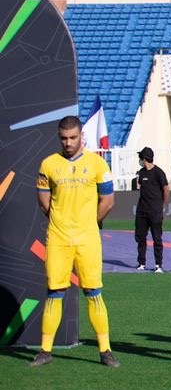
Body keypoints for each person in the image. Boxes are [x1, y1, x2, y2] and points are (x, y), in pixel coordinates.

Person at [30, 116, 119, 368]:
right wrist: (59, 220)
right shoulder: (48, 164)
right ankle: (45, 351)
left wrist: (91, 222)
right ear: (59, 137)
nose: (68, 143)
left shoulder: (97, 163)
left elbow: (108, 200)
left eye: (73, 137)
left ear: (82, 137)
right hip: (58, 239)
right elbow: (44, 200)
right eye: (64, 138)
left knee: (93, 292)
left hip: (87, 239)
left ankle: (105, 351)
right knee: (55, 292)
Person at [132, 146, 169, 272]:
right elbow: (139, 187)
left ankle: (158, 265)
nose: (140, 160)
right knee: (141, 238)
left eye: (141, 158)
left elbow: (166, 189)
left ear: (144, 158)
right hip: (142, 211)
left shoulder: (159, 172)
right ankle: (141, 263)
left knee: (157, 239)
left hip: (155, 211)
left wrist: (162, 205)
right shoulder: (141, 172)